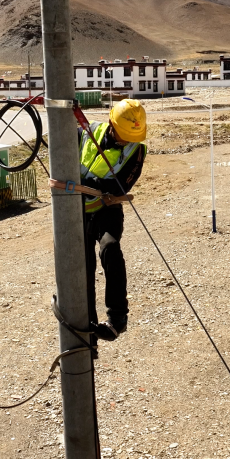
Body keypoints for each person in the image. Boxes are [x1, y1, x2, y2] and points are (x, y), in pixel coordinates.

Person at [80, 98, 147, 342]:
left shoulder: (136, 150)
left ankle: (118, 318)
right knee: (84, 267)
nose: (127, 141)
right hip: (77, 212)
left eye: (131, 137)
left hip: (107, 208)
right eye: (123, 135)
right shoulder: (87, 133)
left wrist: (92, 184)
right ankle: (87, 326)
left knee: (110, 247)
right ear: (111, 124)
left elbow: (121, 185)